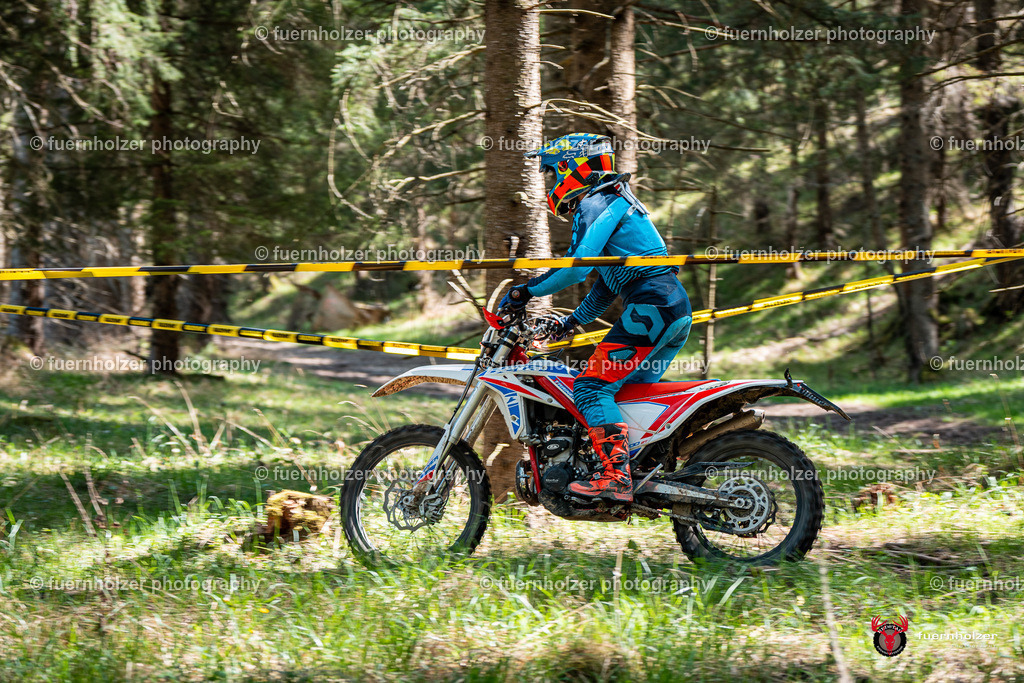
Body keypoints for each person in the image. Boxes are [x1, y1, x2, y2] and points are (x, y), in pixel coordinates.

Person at [499, 133, 692, 504]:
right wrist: (569, 323)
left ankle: (614, 477)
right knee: (627, 394)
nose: (554, 184)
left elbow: (575, 269)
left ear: (574, 166)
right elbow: (605, 285)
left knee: (589, 387)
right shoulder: (615, 200)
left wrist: (525, 291)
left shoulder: (597, 201)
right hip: (671, 308)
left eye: (555, 173)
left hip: (651, 307)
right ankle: (643, 472)